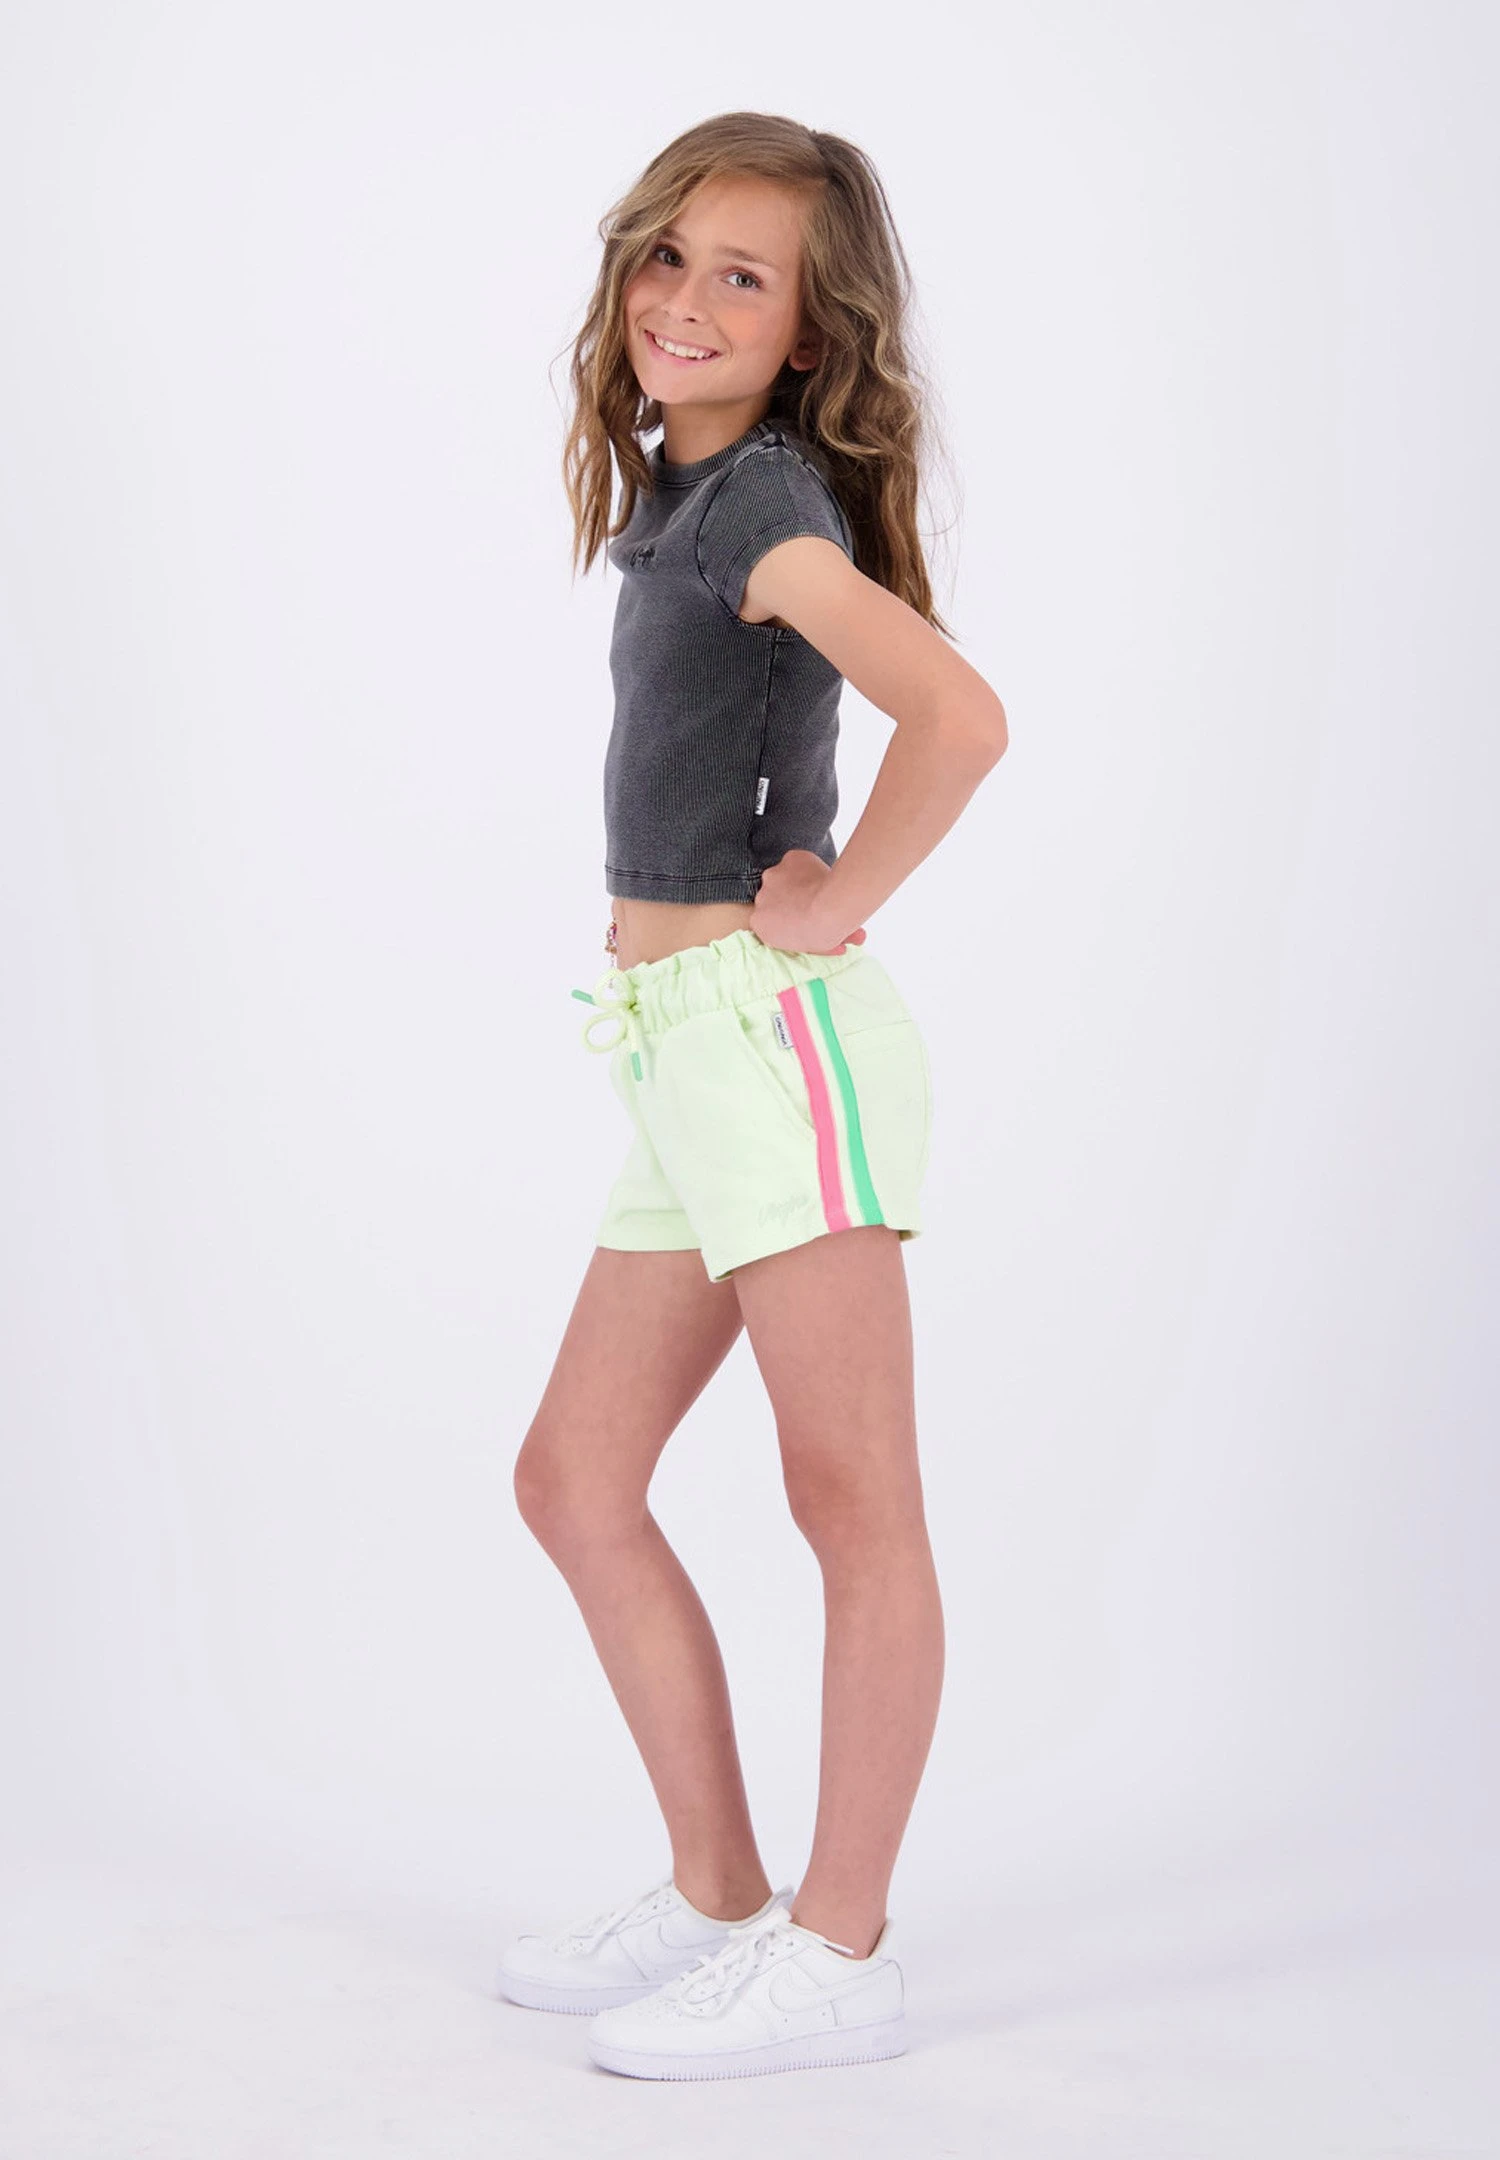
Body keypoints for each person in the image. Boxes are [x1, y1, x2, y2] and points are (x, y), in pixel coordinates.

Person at [499, 111, 1008, 2081]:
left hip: (775, 1045)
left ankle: (840, 1949)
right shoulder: (685, 493)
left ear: (810, 328)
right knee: (573, 1480)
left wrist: (839, 897)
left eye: (745, 275)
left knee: (851, 1497)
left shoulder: (762, 509)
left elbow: (960, 716)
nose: (689, 300)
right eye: (670, 256)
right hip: (682, 1050)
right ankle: (718, 1892)